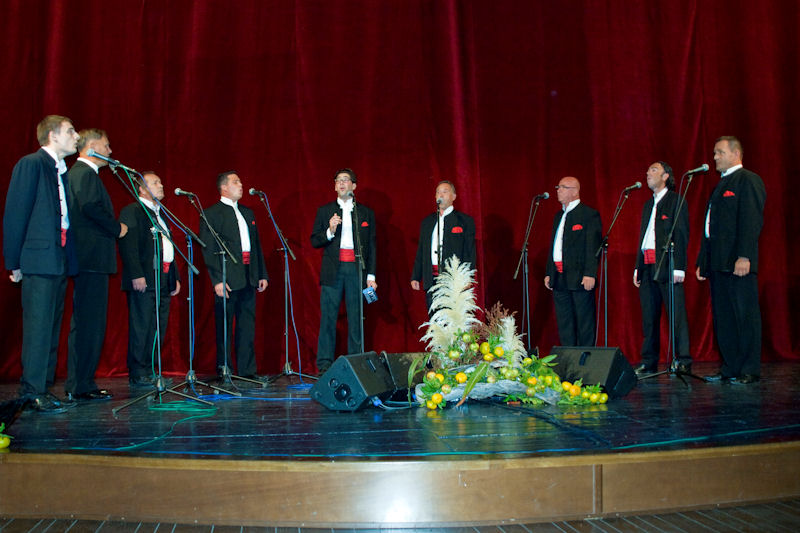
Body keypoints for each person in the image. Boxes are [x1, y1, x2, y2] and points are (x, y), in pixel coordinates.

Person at [3, 115, 80, 412]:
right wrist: (13, 261)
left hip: (57, 260)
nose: (76, 136)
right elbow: (16, 214)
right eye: (70, 131)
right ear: (52, 135)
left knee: (50, 326)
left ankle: (43, 387)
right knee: (38, 326)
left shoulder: (60, 171)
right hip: (38, 259)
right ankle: (32, 390)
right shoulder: (31, 164)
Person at [696, 136, 766, 384]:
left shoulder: (748, 180)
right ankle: (730, 367)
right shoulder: (720, 185)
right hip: (718, 264)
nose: (715, 157)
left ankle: (749, 369)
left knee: (744, 315)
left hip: (738, 262)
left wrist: (744, 256)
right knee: (724, 317)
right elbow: (709, 227)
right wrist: (703, 261)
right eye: (714, 153)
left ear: (736, 154)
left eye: (720, 152)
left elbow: (751, 221)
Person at [65, 129, 127, 402]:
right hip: (90, 258)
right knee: (89, 323)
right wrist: (116, 228)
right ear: (91, 147)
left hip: (90, 259)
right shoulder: (84, 173)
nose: (111, 151)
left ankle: (82, 382)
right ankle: (80, 385)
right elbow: (90, 207)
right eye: (106, 145)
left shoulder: (82, 174)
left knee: (89, 322)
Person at [199, 171, 269, 381]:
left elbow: (256, 245)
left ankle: (247, 371)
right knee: (225, 326)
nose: (241, 185)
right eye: (235, 182)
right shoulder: (211, 214)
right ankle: (225, 369)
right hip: (227, 277)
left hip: (249, 275)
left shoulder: (247, 212)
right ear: (224, 187)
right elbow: (208, 249)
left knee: (247, 325)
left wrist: (261, 274)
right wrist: (217, 280)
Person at [310, 168, 377, 374]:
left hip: (356, 269)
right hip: (333, 269)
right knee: (328, 318)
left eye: (345, 180)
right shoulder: (325, 211)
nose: (341, 183)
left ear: (353, 186)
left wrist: (371, 276)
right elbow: (314, 240)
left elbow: (372, 246)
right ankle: (324, 364)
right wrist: (329, 230)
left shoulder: (365, 213)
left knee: (356, 318)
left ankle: (356, 363)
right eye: (338, 180)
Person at [118, 172, 181, 389]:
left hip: (163, 276)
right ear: (142, 189)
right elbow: (129, 245)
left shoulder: (160, 213)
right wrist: (136, 274)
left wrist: (175, 276)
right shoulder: (133, 211)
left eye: (160, 181)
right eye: (155, 182)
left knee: (158, 326)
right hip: (144, 277)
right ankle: (138, 371)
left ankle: (152, 370)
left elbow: (169, 247)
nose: (161, 185)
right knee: (142, 325)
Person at [632, 162, 692, 375]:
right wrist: (638, 267)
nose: (648, 173)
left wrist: (679, 268)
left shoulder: (676, 200)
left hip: (668, 265)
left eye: (654, 170)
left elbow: (682, 234)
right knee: (649, 317)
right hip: (648, 266)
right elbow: (644, 238)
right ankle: (649, 360)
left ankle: (683, 359)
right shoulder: (648, 205)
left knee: (676, 315)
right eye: (648, 170)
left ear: (666, 176)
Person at [544, 176, 602, 346]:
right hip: (559, 276)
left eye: (563, 187)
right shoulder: (558, 216)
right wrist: (549, 272)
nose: (558, 190)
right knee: (565, 322)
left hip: (580, 277)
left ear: (575, 191)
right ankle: (568, 356)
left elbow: (592, 246)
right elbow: (554, 245)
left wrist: (590, 273)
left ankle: (586, 357)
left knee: (584, 322)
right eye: (558, 187)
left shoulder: (589, 214)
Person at [410, 180, 476, 314]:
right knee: (434, 317)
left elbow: (470, 251)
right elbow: (421, 251)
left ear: (454, 196)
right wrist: (416, 276)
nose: (441, 195)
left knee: (452, 318)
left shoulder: (464, 221)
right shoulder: (427, 222)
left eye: (445, 192)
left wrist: (468, 277)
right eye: (438, 192)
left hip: (453, 279)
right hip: (431, 278)